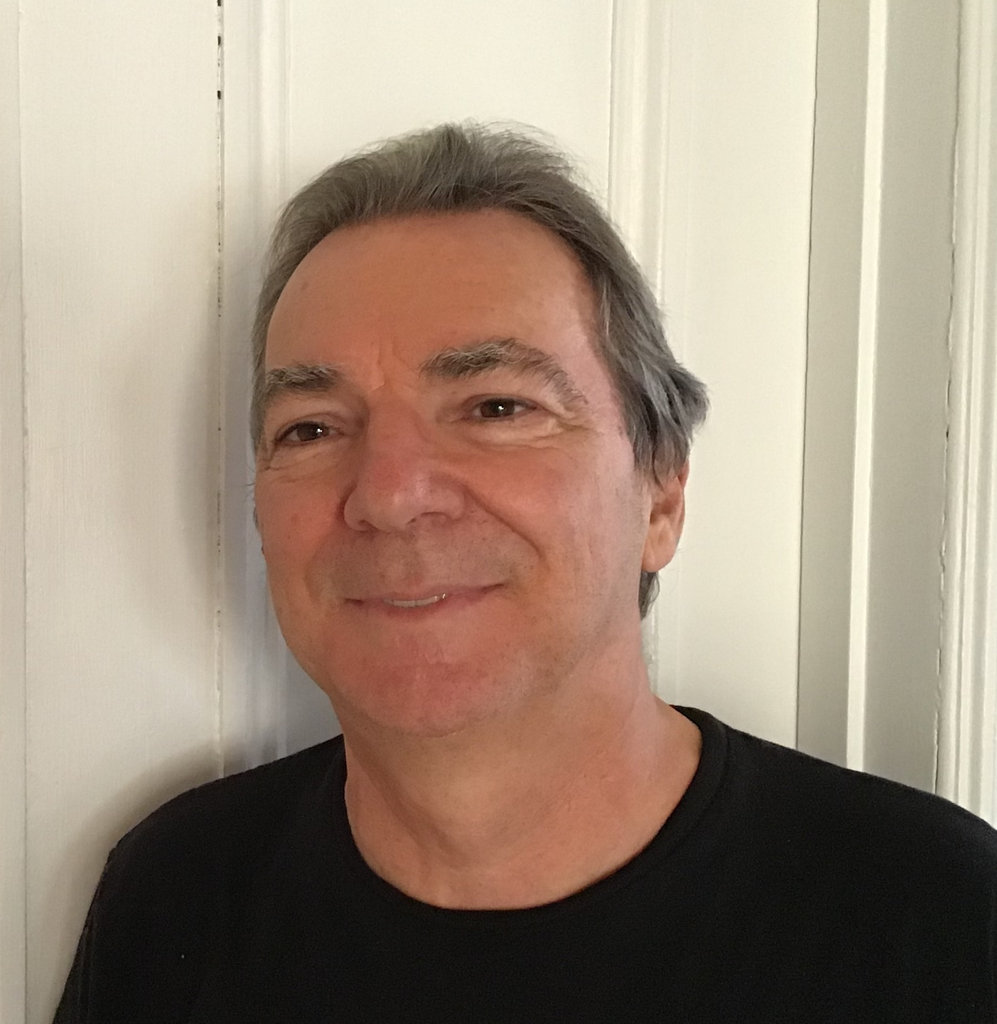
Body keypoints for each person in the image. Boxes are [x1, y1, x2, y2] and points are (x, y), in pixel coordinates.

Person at [55, 123, 996, 1023]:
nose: (390, 494)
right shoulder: (177, 896)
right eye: (311, 428)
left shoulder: (933, 919)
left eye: (496, 407)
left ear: (660, 497)